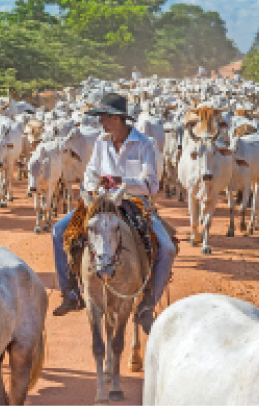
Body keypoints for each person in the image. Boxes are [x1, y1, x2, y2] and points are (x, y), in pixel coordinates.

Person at [51, 93, 176, 333]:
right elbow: (90, 172)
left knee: (167, 248)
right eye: (100, 118)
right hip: (100, 201)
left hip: (134, 203)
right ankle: (71, 293)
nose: (101, 123)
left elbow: (151, 184)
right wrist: (92, 186)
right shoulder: (101, 142)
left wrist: (122, 182)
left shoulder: (144, 144)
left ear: (118, 118)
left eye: (105, 118)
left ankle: (146, 307)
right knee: (59, 230)